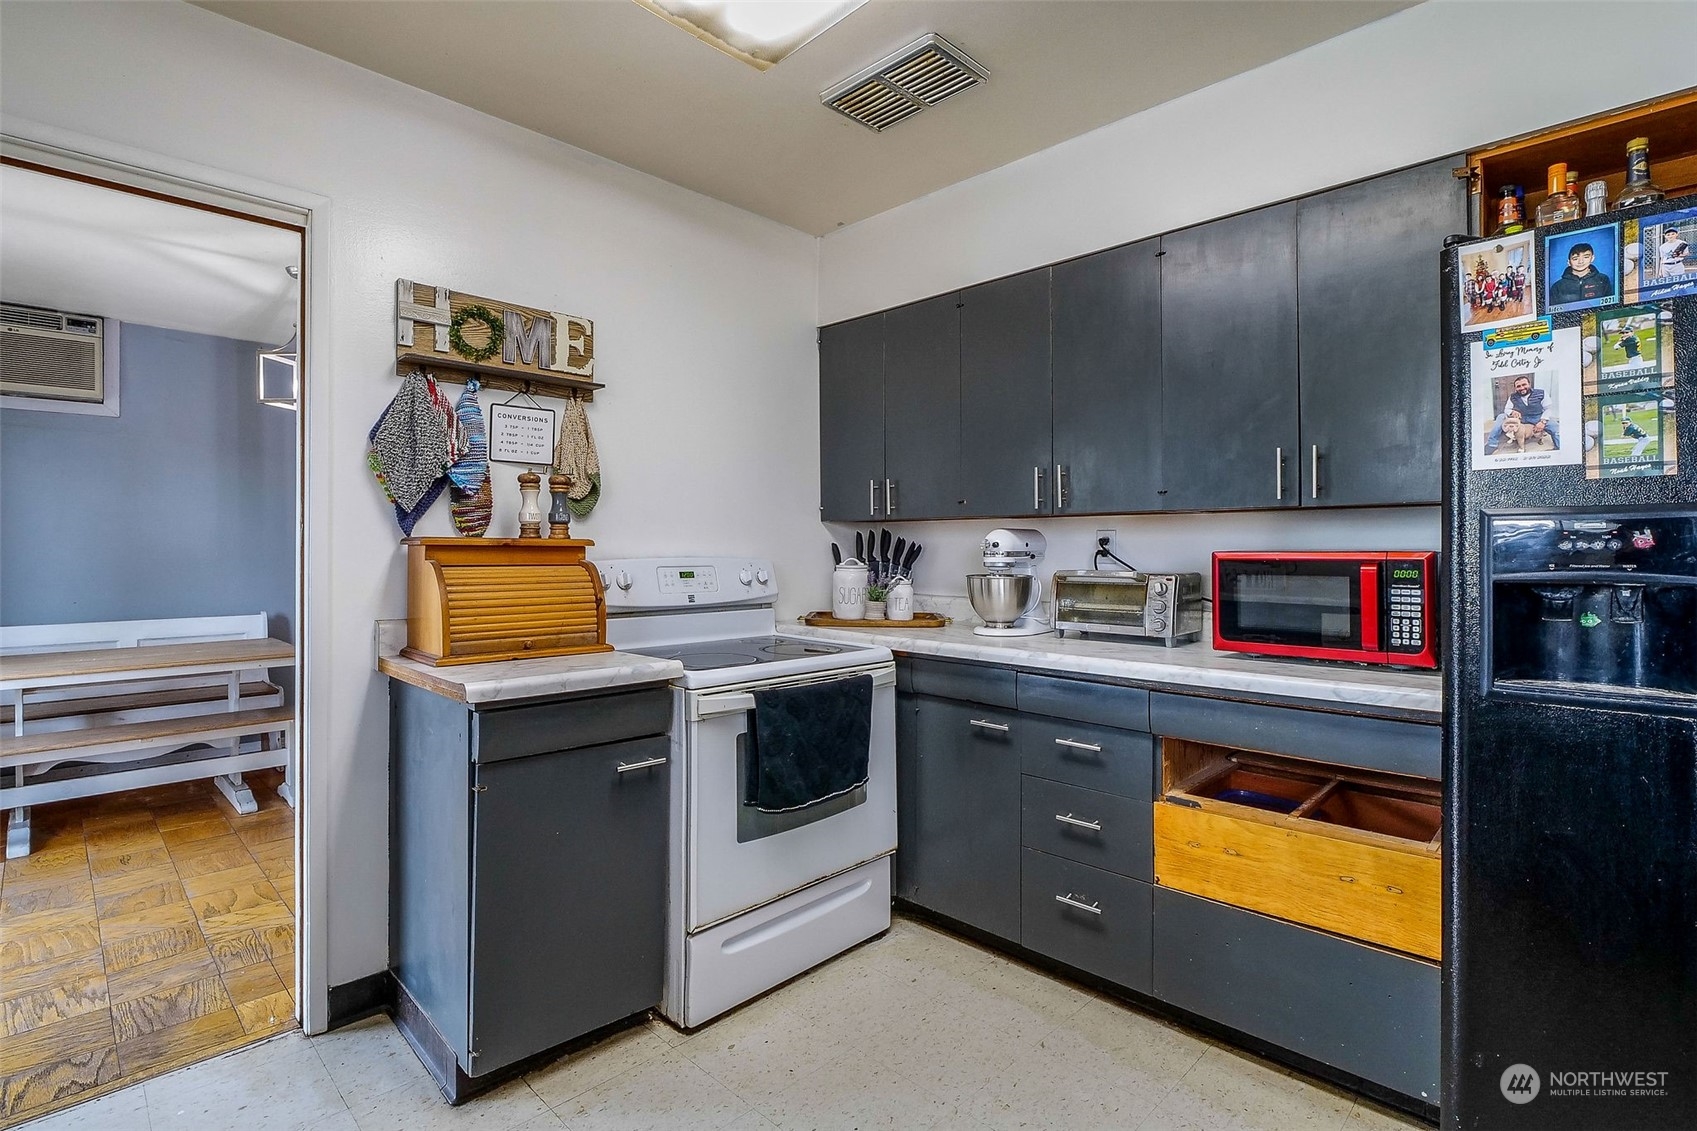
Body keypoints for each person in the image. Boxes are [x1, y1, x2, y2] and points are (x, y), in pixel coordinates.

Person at [1485, 373, 1561, 453]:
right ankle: (1492, 444)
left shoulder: (1541, 393)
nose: (1522, 388)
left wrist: (1543, 421)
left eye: (1524, 384)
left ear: (1529, 384)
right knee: (1501, 416)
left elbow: (1548, 409)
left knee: (1555, 427)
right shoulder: (1513, 396)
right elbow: (1506, 409)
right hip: (1521, 418)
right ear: (1515, 388)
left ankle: (1559, 447)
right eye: (1518, 386)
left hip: (1537, 417)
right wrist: (1512, 412)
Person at [1549, 242, 1614, 306]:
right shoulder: (1557, 286)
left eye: (1586, 257)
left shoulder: (1603, 279)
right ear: (1568, 262)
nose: (1581, 262)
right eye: (1575, 258)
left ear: (1592, 258)